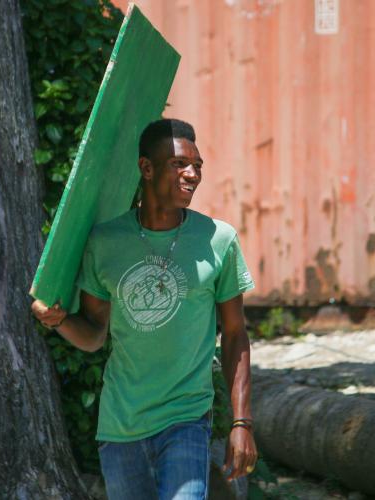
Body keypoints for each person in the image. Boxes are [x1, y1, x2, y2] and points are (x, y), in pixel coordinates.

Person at [31, 118, 257, 499]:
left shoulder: (218, 240)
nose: (192, 174)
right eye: (179, 164)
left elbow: (235, 334)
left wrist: (242, 422)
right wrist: (59, 321)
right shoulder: (106, 242)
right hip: (121, 428)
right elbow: (93, 335)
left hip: (186, 419)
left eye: (197, 165)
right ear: (146, 168)